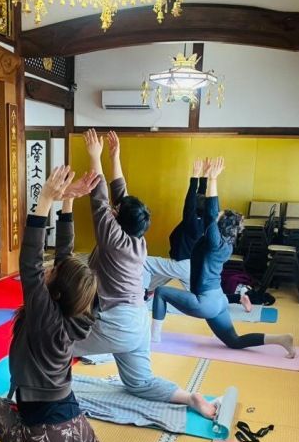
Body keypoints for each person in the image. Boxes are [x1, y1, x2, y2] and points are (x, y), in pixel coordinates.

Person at [0, 165, 244, 442]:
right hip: (76, 429)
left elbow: (28, 262)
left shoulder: (45, 317)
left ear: (54, 291)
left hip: (41, 439)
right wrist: (67, 205)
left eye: (51, 274)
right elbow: (63, 260)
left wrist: (44, 200)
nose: (47, 271)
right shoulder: (76, 314)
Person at [69, 129, 216, 418]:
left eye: (115, 210)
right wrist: (115, 157)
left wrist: (94, 156)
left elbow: (99, 199)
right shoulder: (137, 236)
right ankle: (189, 398)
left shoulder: (112, 239)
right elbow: (119, 196)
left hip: (116, 323)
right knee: (140, 383)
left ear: (117, 218)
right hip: (138, 321)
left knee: (54, 342)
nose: (112, 208)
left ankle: (43, 392)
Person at [151, 157, 296, 358]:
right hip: (218, 300)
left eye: (219, 216)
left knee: (160, 291)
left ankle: (154, 339)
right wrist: (203, 179)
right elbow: (207, 212)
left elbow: (210, 213)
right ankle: (281, 339)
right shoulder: (227, 244)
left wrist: (213, 180)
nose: (216, 214)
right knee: (234, 341)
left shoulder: (214, 241)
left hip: (206, 302)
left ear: (220, 226)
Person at [142, 158, 252, 312]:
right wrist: (205, 176)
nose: (217, 213)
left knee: (142, 260)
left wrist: (195, 176)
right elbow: (200, 200)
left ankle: (139, 294)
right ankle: (238, 298)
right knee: (202, 295)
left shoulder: (192, 222)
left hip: (181, 265)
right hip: (191, 267)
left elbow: (190, 203)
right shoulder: (212, 230)